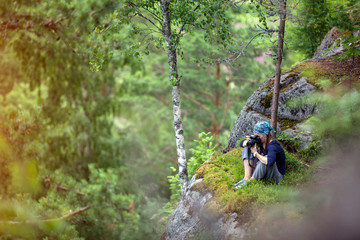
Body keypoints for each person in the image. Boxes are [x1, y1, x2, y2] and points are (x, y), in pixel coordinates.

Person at [234, 121, 286, 189]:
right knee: (246, 149)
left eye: (258, 136)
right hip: (265, 171)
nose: (257, 138)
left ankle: (250, 182)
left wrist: (256, 153)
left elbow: (269, 162)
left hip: (277, 176)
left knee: (265, 159)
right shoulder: (261, 141)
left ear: (265, 135)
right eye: (255, 135)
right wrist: (247, 142)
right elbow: (241, 143)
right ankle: (246, 178)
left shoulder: (273, 146)